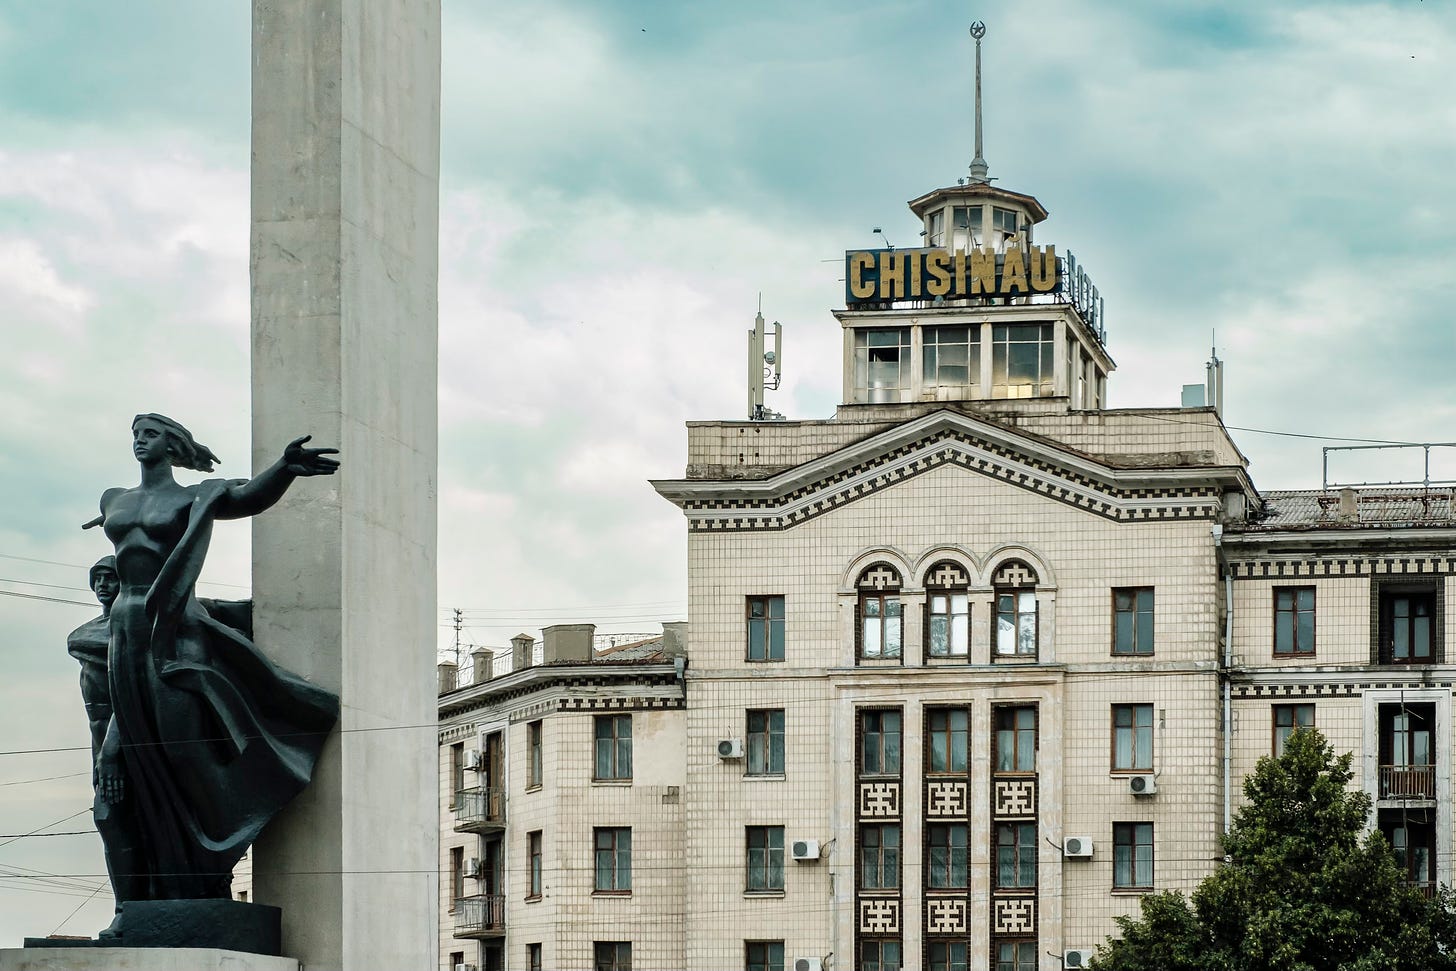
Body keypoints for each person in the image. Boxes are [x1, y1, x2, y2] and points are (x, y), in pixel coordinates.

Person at [84, 414, 341, 903]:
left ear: (174, 445)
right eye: (136, 434)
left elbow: (247, 499)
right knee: (136, 752)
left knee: (185, 749)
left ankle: (210, 862)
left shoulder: (193, 497)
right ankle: (156, 889)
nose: (140, 441)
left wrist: (284, 468)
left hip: (177, 626)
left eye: (151, 434)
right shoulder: (113, 499)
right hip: (125, 630)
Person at [67, 556, 142, 929]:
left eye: (110, 578)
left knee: (112, 818)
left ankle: (126, 911)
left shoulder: (132, 628)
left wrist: (112, 754)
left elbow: (129, 695)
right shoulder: (91, 632)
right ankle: (130, 909)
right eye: (96, 578)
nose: (102, 586)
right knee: (114, 821)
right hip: (101, 747)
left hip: (127, 743)